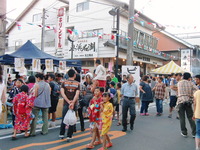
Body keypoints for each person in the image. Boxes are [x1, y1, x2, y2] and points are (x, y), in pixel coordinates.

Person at [59, 69, 80, 140]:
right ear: (74, 75)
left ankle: (61, 134)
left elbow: (62, 93)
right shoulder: (77, 83)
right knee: (71, 120)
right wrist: (73, 102)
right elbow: (77, 94)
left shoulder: (64, 83)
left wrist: (68, 101)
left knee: (64, 118)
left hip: (66, 103)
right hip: (74, 104)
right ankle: (69, 135)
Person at [177, 72, 198, 138]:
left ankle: (184, 132)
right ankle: (194, 133)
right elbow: (197, 90)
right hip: (188, 101)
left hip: (180, 101)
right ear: (189, 78)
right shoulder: (191, 83)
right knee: (190, 117)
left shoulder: (179, 83)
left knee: (182, 118)